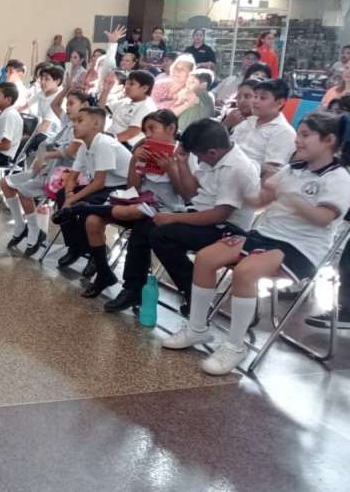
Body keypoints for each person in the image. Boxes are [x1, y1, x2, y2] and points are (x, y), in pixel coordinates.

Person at [164, 112, 350, 375]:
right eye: (298, 133)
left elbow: (323, 218)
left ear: (329, 140)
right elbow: (259, 201)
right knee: (205, 258)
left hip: (301, 248)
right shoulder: (292, 169)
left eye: (306, 135)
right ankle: (197, 328)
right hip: (265, 235)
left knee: (245, 271)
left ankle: (235, 346)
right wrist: (249, 187)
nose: (297, 140)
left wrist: (290, 199)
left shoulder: (338, 178)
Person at [139, 119, 261, 312]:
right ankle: (134, 288)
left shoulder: (237, 169)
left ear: (211, 152)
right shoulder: (215, 158)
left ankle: (195, 294)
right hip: (203, 217)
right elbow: (192, 195)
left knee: (161, 235)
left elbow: (219, 215)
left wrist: (173, 218)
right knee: (144, 227)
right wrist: (183, 164)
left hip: (227, 230)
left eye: (198, 156)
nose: (199, 160)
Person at [69, 110, 187, 299]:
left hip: (165, 208)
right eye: (145, 131)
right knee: (92, 221)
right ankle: (103, 273)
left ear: (171, 128)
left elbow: (186, 194)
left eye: (152, 129)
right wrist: (134, 161)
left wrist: (170, 169)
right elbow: (133, 188)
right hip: (138, 200)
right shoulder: (144, 149)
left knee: (138, 216)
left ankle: (83, 208)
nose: (148, 135)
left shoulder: (183, 155)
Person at [5, 89, 87, 256]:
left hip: (61, 177)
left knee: (23, 190)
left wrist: (44, 156)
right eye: (67, 103)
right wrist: (66, 87)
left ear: (84, 105)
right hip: (46, 169)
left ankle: (34, 231)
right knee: (5, 183)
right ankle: (21, 226)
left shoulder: (82, 128)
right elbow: (55, 104)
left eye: (71, 104)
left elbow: (70, 151)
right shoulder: (68, 121)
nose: (67, 107)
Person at [52, 107, 132, 270]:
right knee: (61, 195)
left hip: (123, 190)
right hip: (104, 187)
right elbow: (72, 177)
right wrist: (68, 195)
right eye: (74, 121)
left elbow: (99, 182)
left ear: (95, 124)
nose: (74, 125)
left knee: (85, 205)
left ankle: (96, 254)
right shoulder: (84, 147)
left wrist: (73, 199)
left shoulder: (104, 143)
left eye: (80, 121)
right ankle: (75, 247)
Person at [231, 79, 297, 179]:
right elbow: (228, 149)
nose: (255, 101)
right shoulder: (247, 122)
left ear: (280, 103)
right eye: (255, 96)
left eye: (262, 98)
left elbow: (271, 171)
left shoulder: (284, 132)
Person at [99, 69, 156, 146]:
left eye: (131, 84)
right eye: (126, 83)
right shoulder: (126, 101)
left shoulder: (147, 107)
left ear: (144, 88)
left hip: (125, 145)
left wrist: (107, 140)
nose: (126, 86)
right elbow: (100, 111)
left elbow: (130, 133)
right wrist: (106, 90)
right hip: (111, 138)